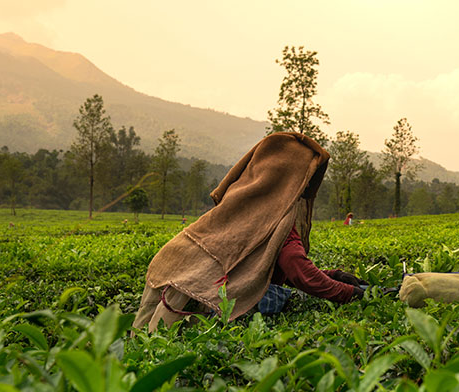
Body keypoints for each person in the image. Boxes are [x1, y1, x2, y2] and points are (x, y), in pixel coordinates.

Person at [132, 132, 364, 332]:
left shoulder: (243, 202)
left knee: (143, 346)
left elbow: (261, 268)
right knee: (169, 351)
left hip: (171, 270)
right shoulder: (277, 217)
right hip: (192, 292)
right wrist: (352, 293)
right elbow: (298, 271)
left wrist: (334, 275)